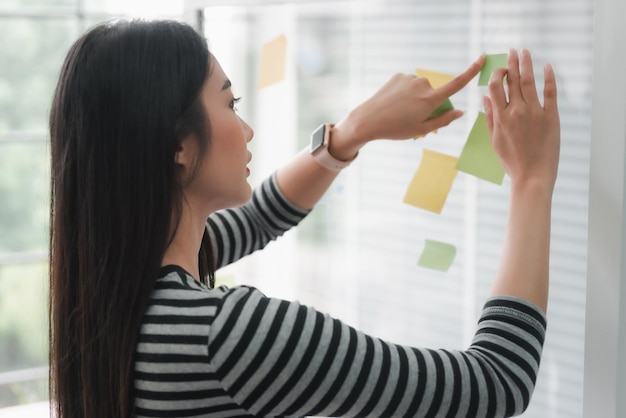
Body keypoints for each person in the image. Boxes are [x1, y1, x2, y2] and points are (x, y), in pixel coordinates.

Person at [48, 19, 559, 418]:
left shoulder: (111, 280)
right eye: (231, 102)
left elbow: (260, 217)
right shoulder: (232, 337)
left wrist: (350, 134)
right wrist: (532, 181)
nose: (246, 129)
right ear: (177, 147)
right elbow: (496, 381)